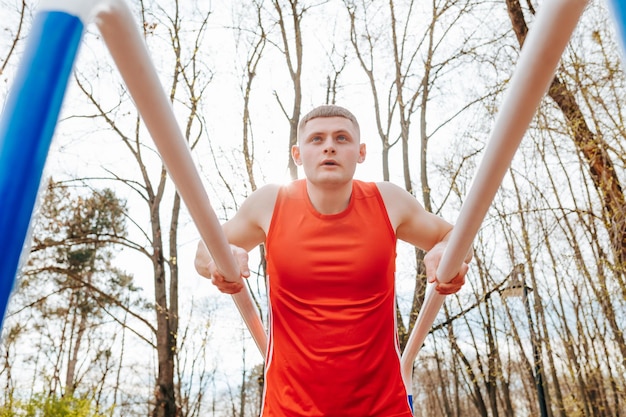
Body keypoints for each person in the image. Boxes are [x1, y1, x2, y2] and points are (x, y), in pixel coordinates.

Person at [194, 105, 472, 416]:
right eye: (316, 139)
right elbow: (205, 251)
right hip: (290, 408)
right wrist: (221, 260)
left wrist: (445, 253)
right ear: (298, 155)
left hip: (382, 407)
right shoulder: (270, 203)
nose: (329, 146)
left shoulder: (388, 201)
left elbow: (455, 237)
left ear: (361, 152)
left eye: (342, 138)